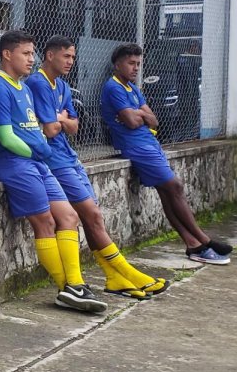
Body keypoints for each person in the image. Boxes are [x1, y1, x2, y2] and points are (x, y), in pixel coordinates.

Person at [28, 36, 169, 299]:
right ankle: (126, 273)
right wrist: (60, 120)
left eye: (72, 57)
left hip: (70, 157)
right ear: (49, 56)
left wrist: (61, 120)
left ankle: (114, 276)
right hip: (54, 161)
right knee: (90, 215)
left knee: (93, 217)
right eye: (66, 56)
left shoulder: (64, 87)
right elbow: (50, 129)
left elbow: (74, 126)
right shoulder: (37, 83)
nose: (71, 61)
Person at [0, 30, 106, 314]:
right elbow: (5, 136)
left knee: (68, 216)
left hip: (38, 162)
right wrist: (37, 150)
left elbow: (37, 128)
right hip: (16, 164)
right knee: (44, 222)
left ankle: (75, 284)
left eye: (32, 54)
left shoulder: (24, 87)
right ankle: (67, 287)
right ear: (7, 54)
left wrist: (41, 148)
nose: (31, 59)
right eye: (26, 54)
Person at [101, 44, 233, 265]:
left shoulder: (133, 89)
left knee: (167, 192)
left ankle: (193, 245)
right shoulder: (113, 88)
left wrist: (140, 114)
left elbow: (154, 120)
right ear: (117, 64)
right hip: (137, 148)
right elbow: (133, 122)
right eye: (131, 63)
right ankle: (204, 240)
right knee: (175, 187)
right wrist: (140, 114)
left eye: (138, 64)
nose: (135, 68)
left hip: (150, 143)